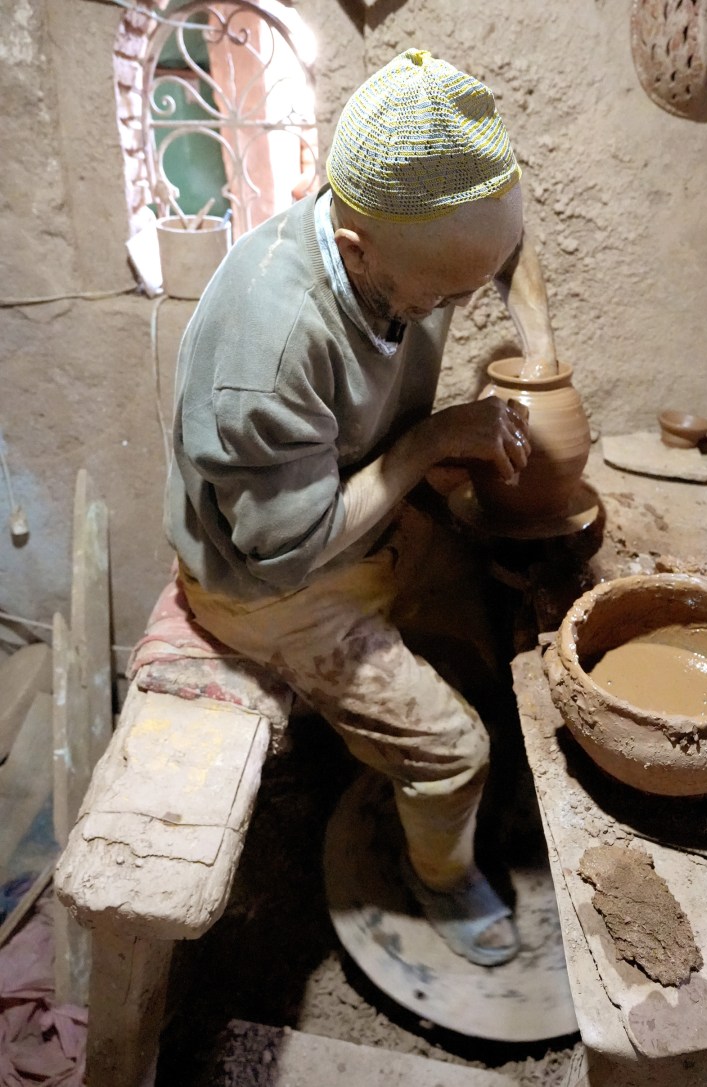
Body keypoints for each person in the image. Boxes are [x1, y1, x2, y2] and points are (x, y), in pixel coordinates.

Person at [165, 48, 557, 967]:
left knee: (495, 613)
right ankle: (442, 879)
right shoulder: (269, 349)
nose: (460, 304)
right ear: (354, 250)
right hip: (270, 580)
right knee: (456, 750)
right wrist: (432, 440)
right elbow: (288, 550)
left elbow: (503, 245)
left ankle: (426, 766)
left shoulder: (420, 223)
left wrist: (538, 351)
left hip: (360, 510)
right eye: (444, 296)